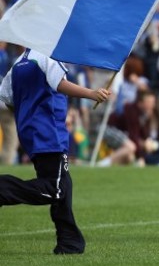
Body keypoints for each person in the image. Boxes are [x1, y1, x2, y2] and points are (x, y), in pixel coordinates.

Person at [0, 49, 111, 254]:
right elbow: (58, 82)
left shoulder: (18, 63)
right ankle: (3, 188)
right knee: (56, 188)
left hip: (31, 133)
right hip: (49, 133)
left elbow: (7, 98)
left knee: (63, 183)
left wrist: (29, 113)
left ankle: (69, 242)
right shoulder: (45, 55)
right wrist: (91, 93)